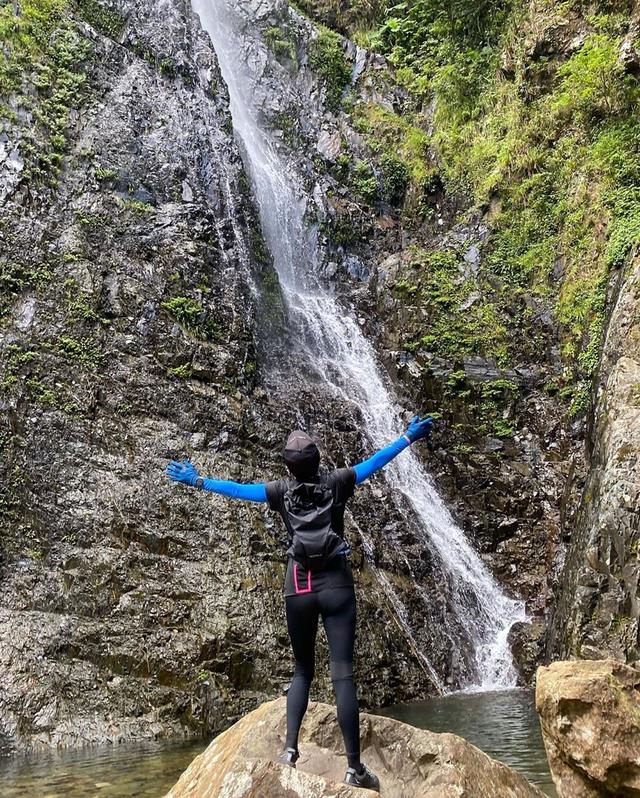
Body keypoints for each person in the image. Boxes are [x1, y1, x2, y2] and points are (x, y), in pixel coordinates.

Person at [165, 414, 434, 791]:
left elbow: (239, 490)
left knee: (302, 670)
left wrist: (196, 480)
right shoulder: (339, 482)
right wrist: (408, 437)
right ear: (319, 460)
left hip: (299, 585)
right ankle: (354, 768)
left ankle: (290, 752)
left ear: (288, 467)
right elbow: (375, 462)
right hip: (337, 584)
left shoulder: (278, 492)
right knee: (342, 671)